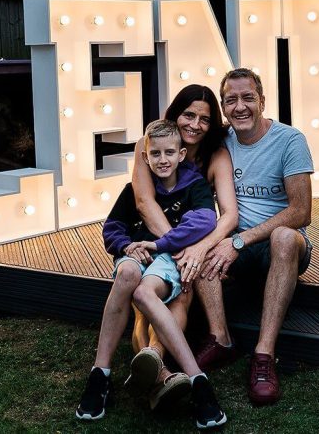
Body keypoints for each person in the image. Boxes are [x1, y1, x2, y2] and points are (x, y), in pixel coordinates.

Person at [76, 119, 227, 429]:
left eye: (169, 152)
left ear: (182, 154)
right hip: (136, 255)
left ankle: (198, 380)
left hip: (164, 259)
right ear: (145, 156)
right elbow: (112, 228)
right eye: (155, 154)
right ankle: (100, 375)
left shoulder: (194, 185)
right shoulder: (134, 190)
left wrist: (159, 242)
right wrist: (127, 246)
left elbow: (203, 222)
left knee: (145, 292)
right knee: (128, 275)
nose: (163, 160)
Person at [192, 68, 314, 406]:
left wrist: (239, 241)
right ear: (223, 106)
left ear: (262, 100)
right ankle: (220, 339)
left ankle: (263, 356)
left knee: (285, 237)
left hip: (281, 248)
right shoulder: (219, 142)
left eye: (248, 98)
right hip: (237, 248)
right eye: (231, 100)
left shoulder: (289, 139)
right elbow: (174, 138)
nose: (240, 106)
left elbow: (301, 212)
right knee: (201, 238)